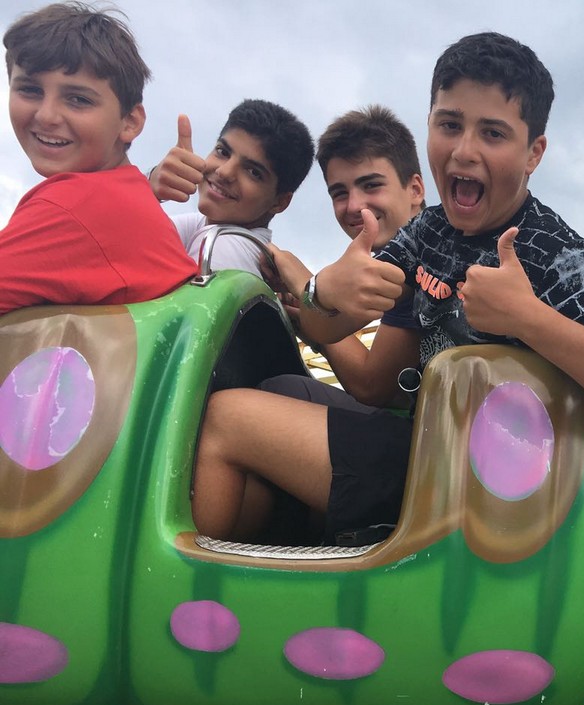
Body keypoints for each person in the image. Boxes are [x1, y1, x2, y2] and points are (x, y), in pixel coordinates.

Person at [190, 31, 584, 545]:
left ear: (534, 153)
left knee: (227, 418)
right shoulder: (430, 230)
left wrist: (527, 317)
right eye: (449, 125)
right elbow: (332, 325)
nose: (464, 151)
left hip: (479, 486)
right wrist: (323, 292)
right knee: (278, 391)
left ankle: (185, 584)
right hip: (426, 446)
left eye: (493, 133)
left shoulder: (556, 251)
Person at [0, 2, 196, 317]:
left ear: (130, 122)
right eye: (30, 90)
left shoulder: (71, 207)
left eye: (78, 99)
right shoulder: (125, 196)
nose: (47, 115)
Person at [260, 105, 427, 411]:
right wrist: (308, 315)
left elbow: (372, 386)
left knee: (273, 394)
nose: (353, 205)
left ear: (415, 189)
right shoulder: (395, 258)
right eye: (339, 193)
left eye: (371, 185)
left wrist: (308, 285)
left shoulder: (424, 253)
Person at [148, 99, 314, 276]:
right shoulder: (201, 225)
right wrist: (149, 186)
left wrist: (145, 192)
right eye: (223, 152)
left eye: (253, 172)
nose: (224, 172)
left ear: (279, 202)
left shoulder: (225, 247)